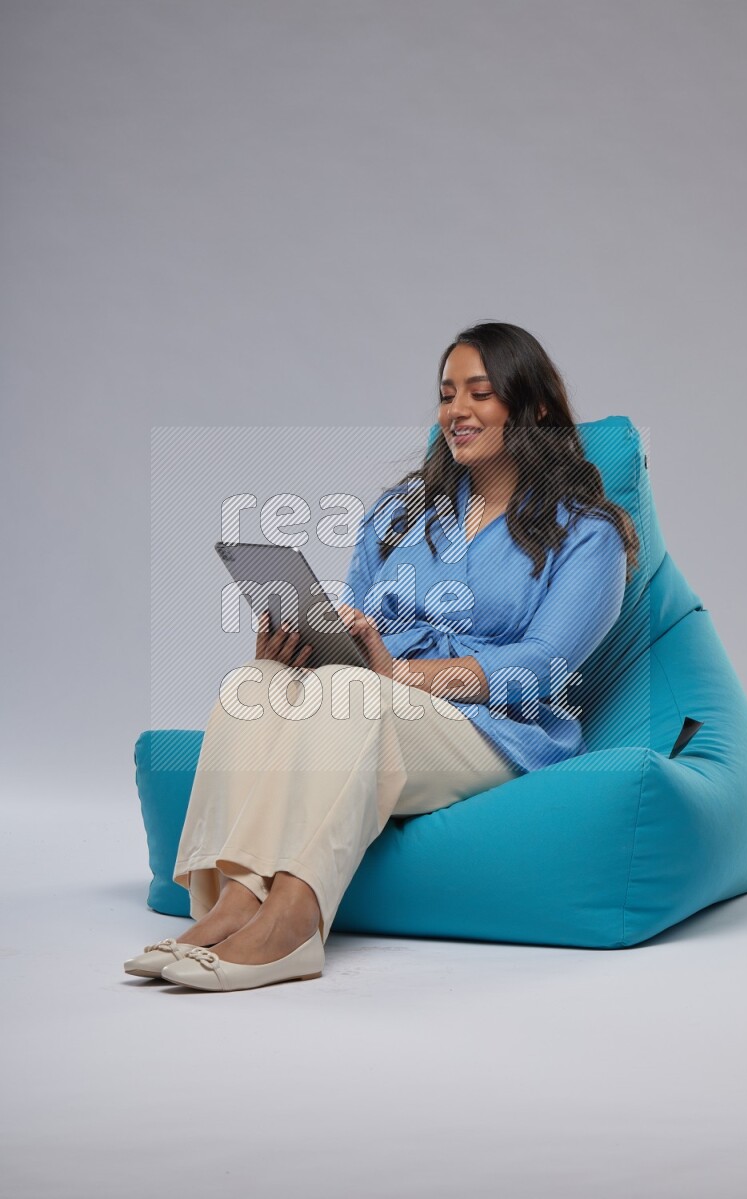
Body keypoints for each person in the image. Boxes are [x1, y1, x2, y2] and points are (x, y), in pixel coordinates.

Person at [124, 321, 640, 992]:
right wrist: (300, 649)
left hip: (493, 729)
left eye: (480, 393)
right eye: (447, 393)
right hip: (374, 702)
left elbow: (541, 666)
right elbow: (357, 619)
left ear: (534, 408)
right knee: (253, 684)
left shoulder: (586, 534)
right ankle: (230, 904)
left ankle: (291, 926)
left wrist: (396, 675)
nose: (456, 410)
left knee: (355, 693)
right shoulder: (401, 512)